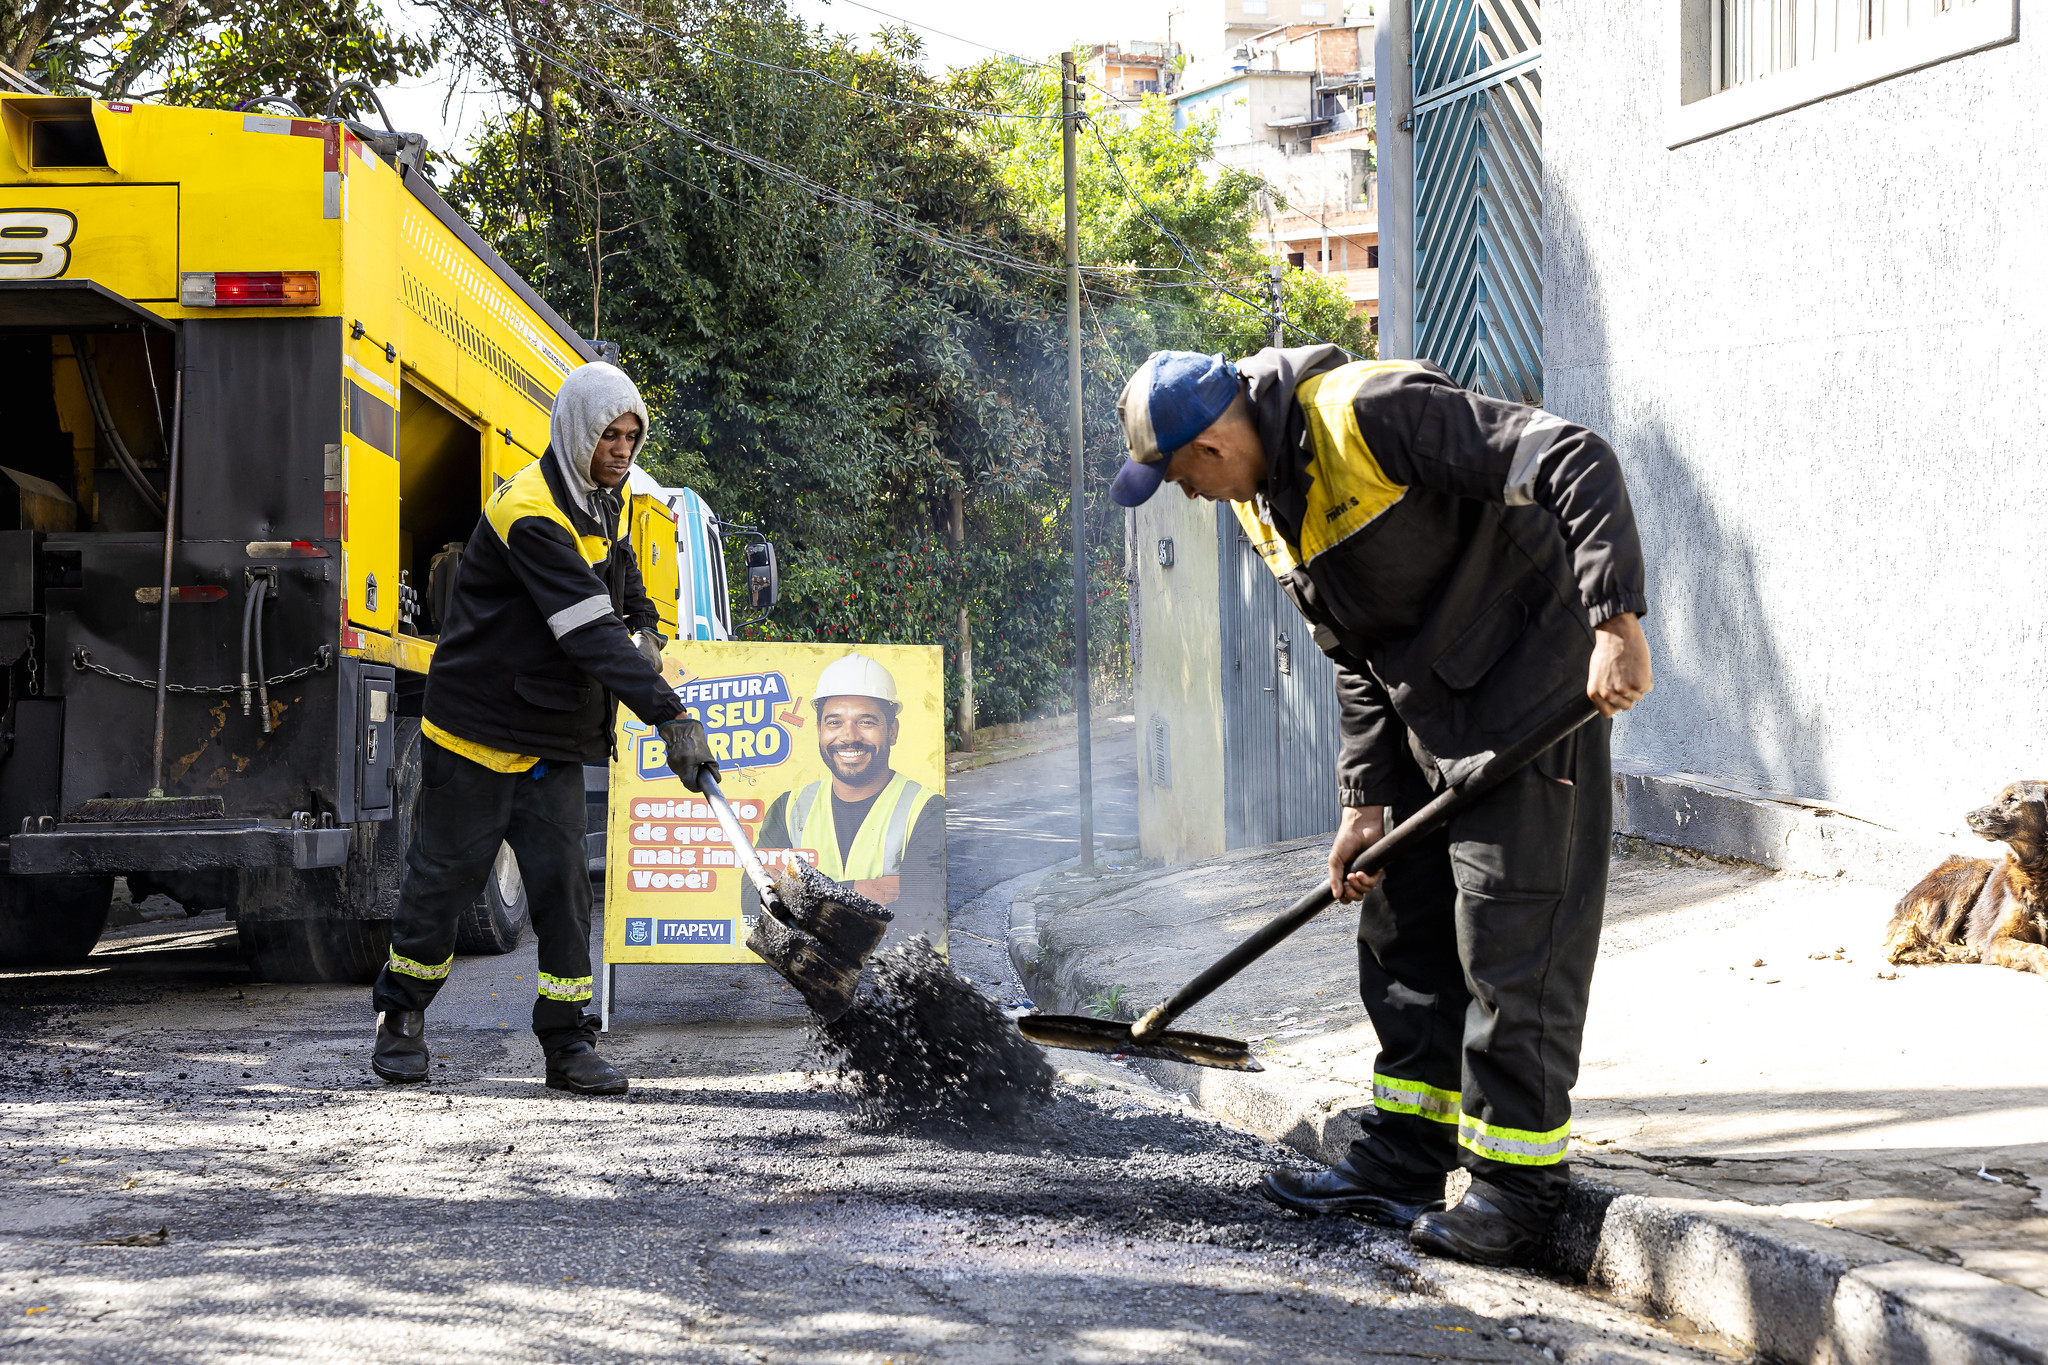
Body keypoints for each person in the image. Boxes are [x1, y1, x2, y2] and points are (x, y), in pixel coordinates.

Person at [1110, 347, 1652, 1266]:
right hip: (1424, 713)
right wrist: (1365, 800)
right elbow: (1353, 652)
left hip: (1530, 690)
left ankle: (1516, 1187)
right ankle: (1404, 1156)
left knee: (1511, 939)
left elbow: (1575, 456)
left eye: (1180, 475)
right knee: (1402, 928)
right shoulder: (1260, 500)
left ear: (1211, 441)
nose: (1189, 496)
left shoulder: (1369, 411)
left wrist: (1614, 619)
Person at [369, 362, 719, 1095]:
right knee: (443, 884)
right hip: (475, 732)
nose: (623, 449)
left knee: (564, 893)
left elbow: (619, 584)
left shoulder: (601, 502)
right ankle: (400, 1019)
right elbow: (586, 631)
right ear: (577, 433)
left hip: (550, 740)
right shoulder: (528, 510)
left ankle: (568, 1044)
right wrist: (671, 714)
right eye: (610, 435)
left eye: (632, 436)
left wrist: (647, 624)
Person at [745, 652, 946, 946]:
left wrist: (797, 896)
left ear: (892, 731)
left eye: (866, 722)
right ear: (818, 731)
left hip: (897, 984)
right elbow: (753, 906)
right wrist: (870, 892)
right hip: (800, 980)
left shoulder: (926, 809)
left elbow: (924, 918)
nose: (848, 737)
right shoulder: (788, 807)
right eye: (835, 722)